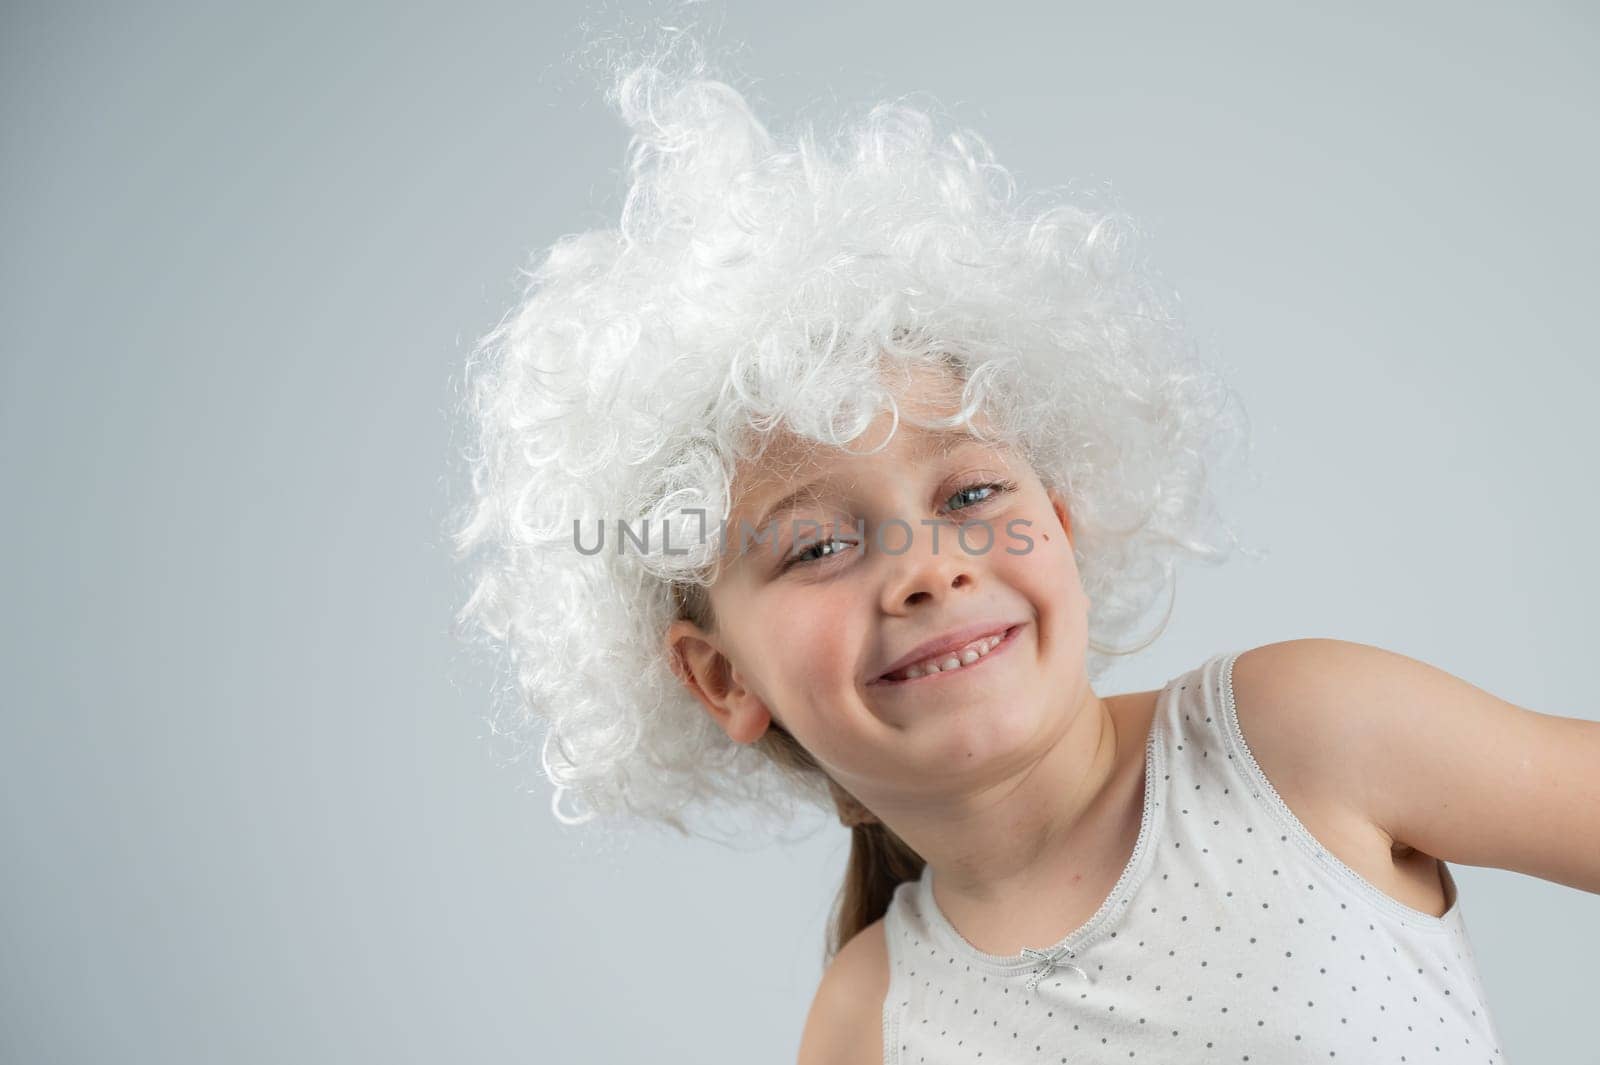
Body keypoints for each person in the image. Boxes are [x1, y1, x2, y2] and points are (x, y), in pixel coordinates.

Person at [452, 29, 1595, 1064]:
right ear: (721, 678)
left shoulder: (1300, 741)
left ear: (1064, 515)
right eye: (812, 548)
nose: (928, 569)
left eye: (974, 491)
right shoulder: (864, 1020)